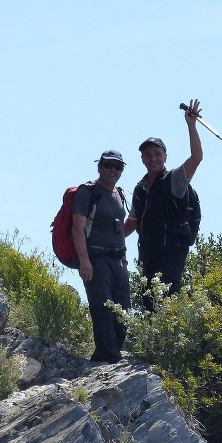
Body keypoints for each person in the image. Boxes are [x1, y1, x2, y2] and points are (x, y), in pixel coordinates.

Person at [126, 98, 203, 308]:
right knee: (149, 304)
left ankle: (167, 340)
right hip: (149, 253)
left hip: (172, 252)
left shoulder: (175, 179)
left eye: (157, 154)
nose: (153, 158)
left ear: (165, 156)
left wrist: (191, 125)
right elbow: (132, 222)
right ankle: (155, 341)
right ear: (142, 158)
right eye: (148, 155)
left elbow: (196, 158)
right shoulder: (140, 188)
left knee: (166, 301)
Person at [72, 149, 134, 363]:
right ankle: (109, 358)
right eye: (108, 165)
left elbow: (120, 231)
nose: (113, 170)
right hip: (96, 259)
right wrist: (84, 260)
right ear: (99, 166)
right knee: (103, 309)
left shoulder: (120, 194)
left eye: (118, 167)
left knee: (123, 311)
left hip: (118, 261)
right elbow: (77, 228)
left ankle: (107, 355)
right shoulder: (88, 191)